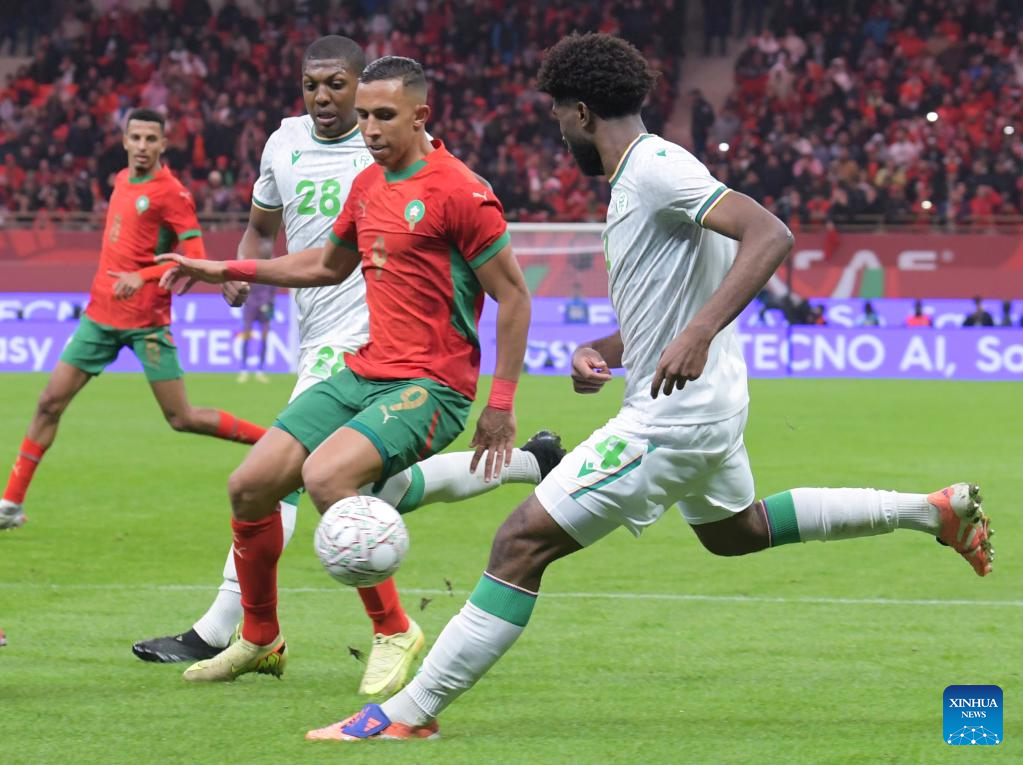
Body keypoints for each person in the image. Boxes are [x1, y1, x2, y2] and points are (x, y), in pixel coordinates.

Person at [309, 33, 993, 742]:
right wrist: (605, 349)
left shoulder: (655, 169)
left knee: (520, 542)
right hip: (708, 405)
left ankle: (405, 714)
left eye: (557, 113)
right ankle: (930, 511)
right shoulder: (643, 175)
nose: (557, 128)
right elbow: (667, 301)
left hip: (674, 418)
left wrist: (697, 332)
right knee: (736, 532)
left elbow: (769, 234)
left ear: (580, 112)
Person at [132, 39, 562, 698]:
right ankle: (259, 636)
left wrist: (499, 402)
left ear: (419, 115)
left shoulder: (461, 190)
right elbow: (324, 265)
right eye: (363, 116)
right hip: (364, 371)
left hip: (432, 386)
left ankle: (394, 629)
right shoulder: (367, 184)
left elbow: (514, 296)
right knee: (250, 485)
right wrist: (223, 267)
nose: (369, 129)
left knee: (326, 476)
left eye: (383, 116)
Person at [0, 108, 267, 531]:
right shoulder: (122, 180)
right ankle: (11, 503)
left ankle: (274, 444)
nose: (142, 146)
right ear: (125, 140)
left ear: (163, 144)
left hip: (147, 323)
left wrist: (141, 276)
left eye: (150, 139)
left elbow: (194, 257)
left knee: (181, 417)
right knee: (49, 402)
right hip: (99, 317)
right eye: (136, 137)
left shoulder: (173, 193)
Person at [237, 280, 276, 383]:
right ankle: (243, 370)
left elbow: (274, 288)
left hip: (265, 305)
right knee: (246, 336)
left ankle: (260, 370)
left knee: (264, 338)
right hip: (250, 305)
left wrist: (270, 304)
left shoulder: (270, 272)